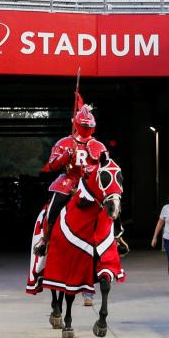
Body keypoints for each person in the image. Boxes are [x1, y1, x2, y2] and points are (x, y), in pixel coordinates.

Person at [34, 104, 107, 258]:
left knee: (112, 203)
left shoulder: (99, 146)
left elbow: (107, 167)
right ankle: (45, 240)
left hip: (90, 183)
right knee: (53, 208)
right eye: (84, 125)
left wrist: (92, 171)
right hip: (68, 180)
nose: (86, 128)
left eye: (89, 126)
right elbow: (52, 165)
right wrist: (64, 156)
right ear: (76, 124)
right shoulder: (64, 142)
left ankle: (117, 237)